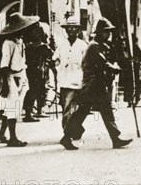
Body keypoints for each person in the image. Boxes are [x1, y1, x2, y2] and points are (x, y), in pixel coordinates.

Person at [60, 18, 132, 150]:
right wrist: (117, 69)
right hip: (92, 85)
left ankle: (115, 139)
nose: (108, 34)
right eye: (106, 32)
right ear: (99, 32)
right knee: (82, 113)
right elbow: (103, 63)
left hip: (97, 85)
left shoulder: (101, 45)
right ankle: (66, 137)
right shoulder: (94, 46)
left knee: (106, 111)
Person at [0, 13, 39, 147]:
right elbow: (4, 65)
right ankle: (13, 138)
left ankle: (2, 133)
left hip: (21, 75)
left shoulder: (20, 41)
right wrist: (6, 85)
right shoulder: (8, 43)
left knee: (12, 106)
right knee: (12, 106)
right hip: (10, 76)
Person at [52, 18, 88, 129]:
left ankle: (73, 130)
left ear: (78, 30)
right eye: (69, 28)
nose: (71, 30)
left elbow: (87, 64)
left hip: (78, 81)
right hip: (64, 82)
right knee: (66, 108)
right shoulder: (62, 45)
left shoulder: (83, 45)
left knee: (76, 109)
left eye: (74, 28)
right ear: (66, 30)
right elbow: (55, 60)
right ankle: (68, 132)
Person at [22, 22, 53, 121]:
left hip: (36, 69)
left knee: (38, 90)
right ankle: (29, 113)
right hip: (36, 70)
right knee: (34, 91)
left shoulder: (30, 44)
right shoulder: (41, 45)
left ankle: (34, 110)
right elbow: (50, 54)